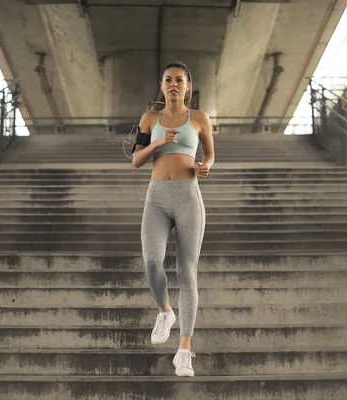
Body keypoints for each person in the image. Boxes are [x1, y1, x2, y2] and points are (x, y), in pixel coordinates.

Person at [131, 61, 215, 377]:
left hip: (188, 196)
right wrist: (158, 141)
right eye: (168, 80)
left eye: (179, 80)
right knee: (152, 262)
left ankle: (184, 351)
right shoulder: (150, 118)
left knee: (187, 272)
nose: (173, 84)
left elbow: (209, 154)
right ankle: (165, 311)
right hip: (157, 198)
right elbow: (137, 160)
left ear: (188, 85)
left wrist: (206, 166)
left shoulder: (200, 119)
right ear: (162, 85)